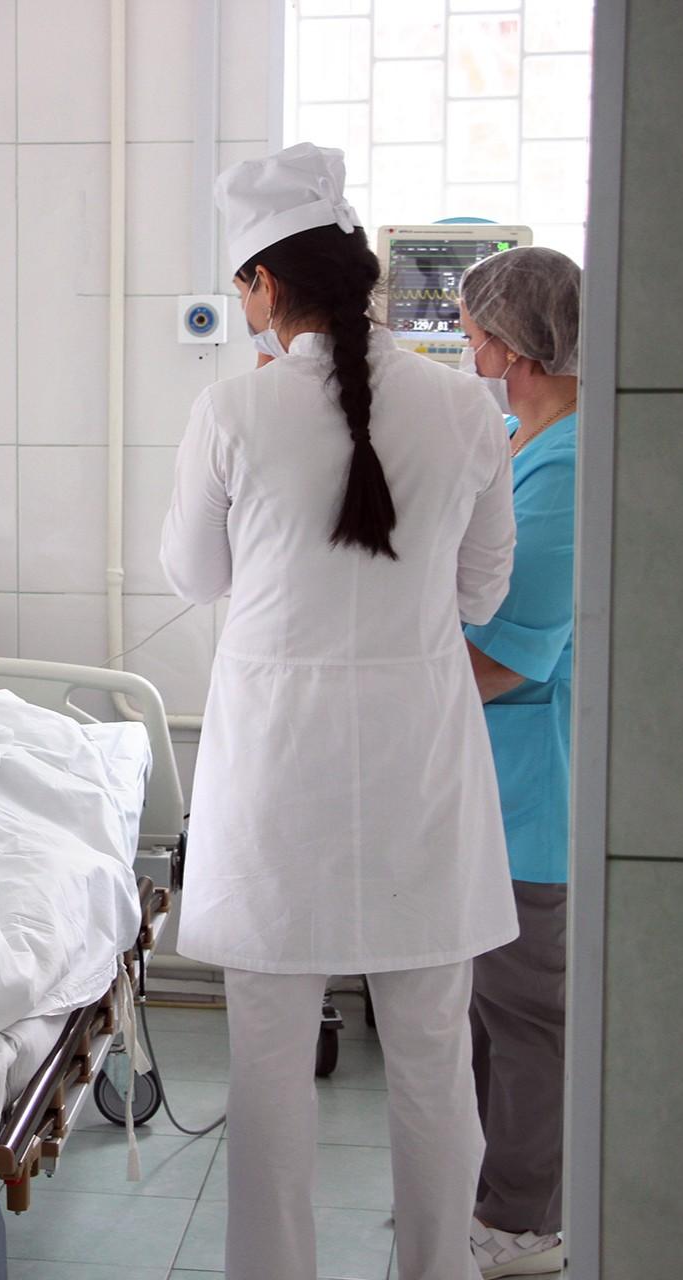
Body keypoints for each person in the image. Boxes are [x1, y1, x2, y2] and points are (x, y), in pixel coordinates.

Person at [161, 143, 519, 1280]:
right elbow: (483, 593)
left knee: (269, 1069)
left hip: (279, 777)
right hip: (420, 768)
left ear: (264, 283)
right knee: (433, 1061)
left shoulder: (232, 409)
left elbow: (194, 575)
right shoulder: (467, 408)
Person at [455, 246, 582, 1279]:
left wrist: (383, 697)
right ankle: (490, 1195)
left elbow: (506, 653)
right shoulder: (516, 438)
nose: (467, 353)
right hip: (486, 787)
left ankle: (526, 1224)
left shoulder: (570, 465)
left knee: (529, 1016)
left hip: (532, 791)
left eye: (471, 335)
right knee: (485, 1013)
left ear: (512, 347)